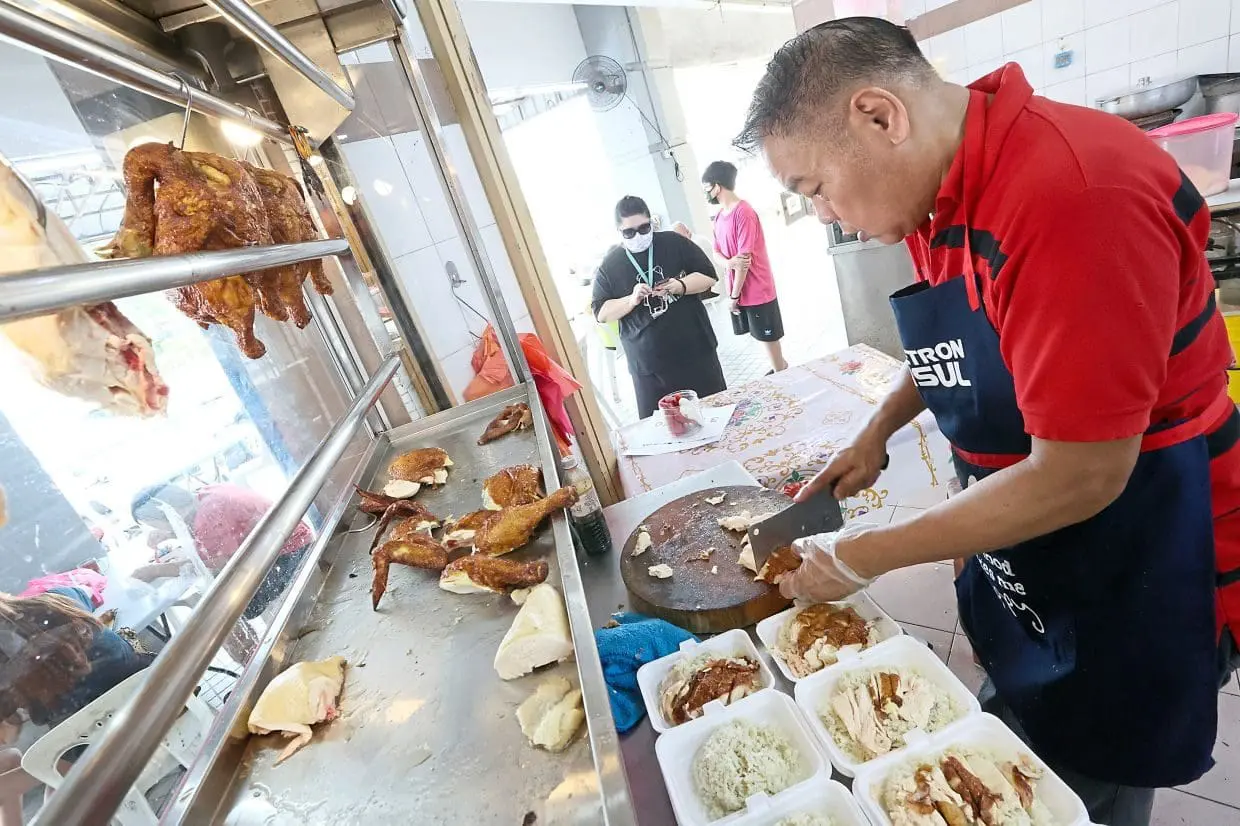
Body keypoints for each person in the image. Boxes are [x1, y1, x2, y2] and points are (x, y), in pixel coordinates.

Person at [736, 18, 1240, 826]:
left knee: (1083, 781)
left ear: (879, 116)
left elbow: (1081, 472)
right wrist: (879, 431)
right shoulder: (938, 193)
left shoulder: (1072, 197)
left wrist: (860, 554)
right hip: (1030, 538)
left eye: (814, 188)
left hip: (1140, 543)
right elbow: (972, 337)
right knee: (1013, 742)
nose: (828, 215)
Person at [0, 590, 154, 824]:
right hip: (155, 704)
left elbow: (8, 734)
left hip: (98, 751)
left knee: (23, 775)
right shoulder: (56, 600)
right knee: (36, 770)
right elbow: (90, 595)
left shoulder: (11, 678)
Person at [592, 196, 726, 418]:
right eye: (629, 232)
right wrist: (631, 300)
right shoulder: (611, 264)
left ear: (652, 223)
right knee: (664, 430)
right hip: (649, 368)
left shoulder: (674, 242)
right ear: (619, 231)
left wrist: (680, 285)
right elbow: (601, 312)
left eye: (644, 228)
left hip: (696, 352)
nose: (638, 236)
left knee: (714, 415)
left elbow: (709, 276)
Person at [131, 483, 314, 620]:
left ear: (165, 513)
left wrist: (153, 571)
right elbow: (224, 535)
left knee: (216, 614)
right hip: (294, 540)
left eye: (152, 524)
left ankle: (260, 660)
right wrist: (173, 532)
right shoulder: (206, 494)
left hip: (290, 556)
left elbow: (213, 565)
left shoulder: (207, 517)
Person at [701, 161, 788, 372]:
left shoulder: (744, 212)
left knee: (770, 343)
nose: (706, 193)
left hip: (757, 291)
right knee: (760, 339)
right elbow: (717, 253)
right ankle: (780, 370)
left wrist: (733, 296)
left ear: (717, 186)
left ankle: (782, 374)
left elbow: (744, 262)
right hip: (740, 292)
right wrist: (729, 263)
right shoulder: (720, 217)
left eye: (706, 187)